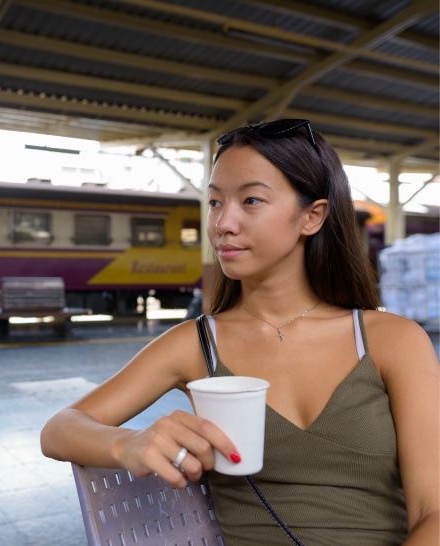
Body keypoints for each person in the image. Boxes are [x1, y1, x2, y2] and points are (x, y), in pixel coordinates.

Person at [40, 119, 439, 545]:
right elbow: (60, 429)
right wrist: (130, 444)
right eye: (214, 202)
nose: (222, 223)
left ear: (312, 216)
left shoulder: (392, 341)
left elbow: (432, 510)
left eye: (250, 200)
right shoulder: (196, 345)